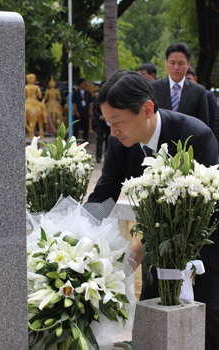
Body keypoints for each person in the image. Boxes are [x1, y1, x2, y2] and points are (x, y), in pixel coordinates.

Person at [88, 70, 219, 350]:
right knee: (152, 330)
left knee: (206, 330)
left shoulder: (195, 136)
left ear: (147, 109)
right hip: (157, 259)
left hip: (205, 254)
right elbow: (101, 201)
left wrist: (140, 248)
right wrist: (67, 244)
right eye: (107, 122)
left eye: (118, 121)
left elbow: (205, 215)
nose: (113, 131)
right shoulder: (119, 144)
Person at [151, 43, 209, 126]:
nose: (176, 67)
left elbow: (203, 125)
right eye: (172, 63)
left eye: (181, 63)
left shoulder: (198, 91)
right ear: (167, 63)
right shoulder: (154, 88)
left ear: (188, 64)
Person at [186, 65, 218, 131]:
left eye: (189, 79)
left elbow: (214, 120)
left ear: (195, 79)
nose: (186, 82)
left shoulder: (207, 95)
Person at [93, 81, 110, 163]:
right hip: (100, 122)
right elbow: (94, 110)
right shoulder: (97, 98)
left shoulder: (111, 97)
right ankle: (98, 157)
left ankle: (108, 156)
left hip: (109, 122)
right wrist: (100, 116)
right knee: (99, 139)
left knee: (109, 139)